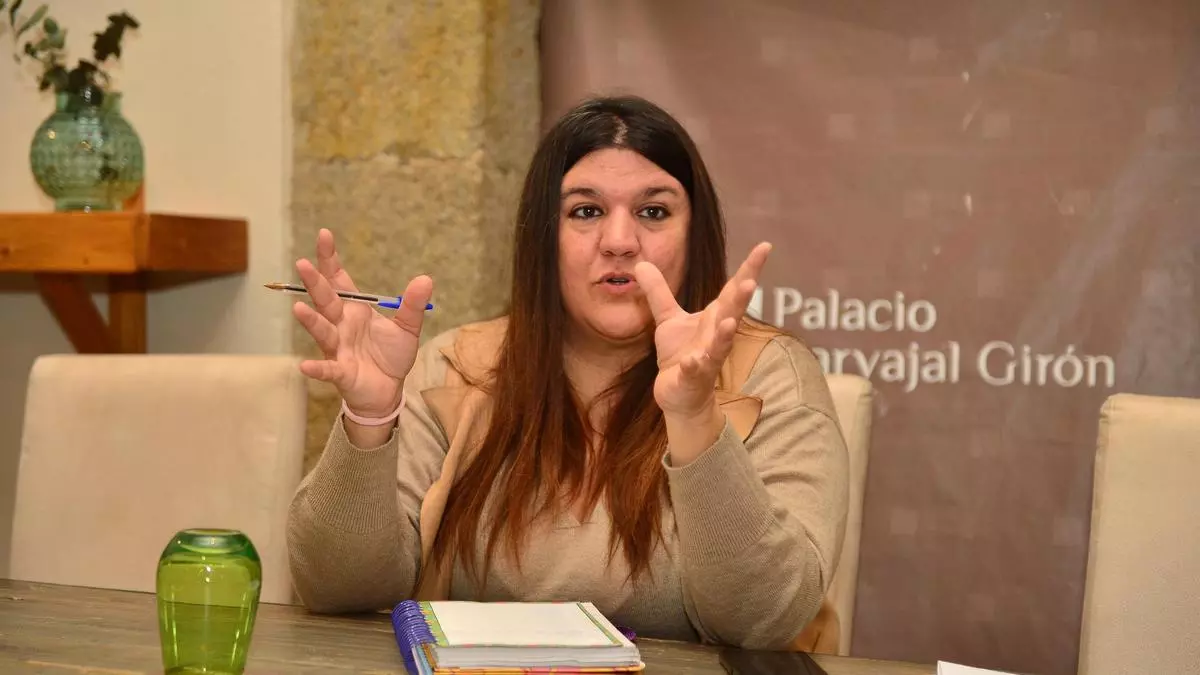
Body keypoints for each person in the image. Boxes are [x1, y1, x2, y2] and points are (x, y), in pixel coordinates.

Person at [285, 95, 850, 652]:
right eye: (586, 211)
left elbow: (764, 621)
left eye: (654, 212)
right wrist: (369, 417)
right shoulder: (458, 367)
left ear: (694, 233)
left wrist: (695, 416)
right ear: (542, 237)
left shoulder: (770, 374)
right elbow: (337, 588)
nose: (620, 242)